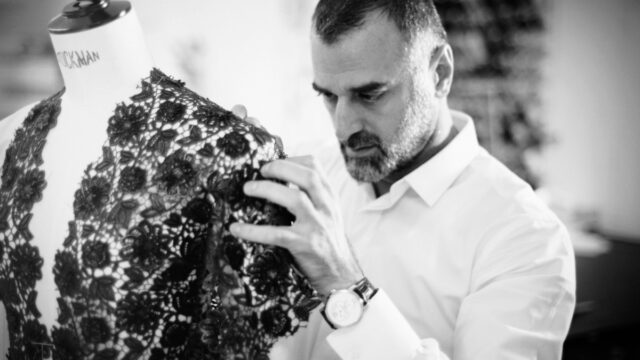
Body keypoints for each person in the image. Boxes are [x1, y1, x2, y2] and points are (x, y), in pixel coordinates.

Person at [229, 0, 576, 359]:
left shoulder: (526, 238)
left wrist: (345, 285)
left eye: (370, 94)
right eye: (329, 96)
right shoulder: (305, 173)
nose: (344, 127)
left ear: (439, 72)